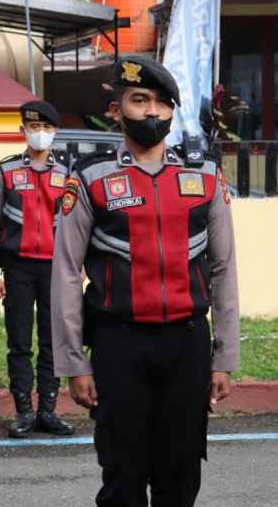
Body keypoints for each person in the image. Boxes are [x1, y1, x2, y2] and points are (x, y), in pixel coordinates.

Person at [51, 56, 240, 506]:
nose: (152, 112)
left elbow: (224, 268)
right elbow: (64, 273)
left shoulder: (205, 175)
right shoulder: (90, 178)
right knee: (123, 476)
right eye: (139, 100)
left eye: (161, 103)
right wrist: (74, 363)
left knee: (181, 477)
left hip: (187, 342)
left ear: (173, 111)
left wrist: (225, 356)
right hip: (119, 344)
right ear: (117, 110)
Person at [0, 100, 75, 438]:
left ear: (55, 131)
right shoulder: (5, 171)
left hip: (56, 269)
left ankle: (48, 411)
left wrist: (77, 268)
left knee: (53, 340)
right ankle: (23, 411)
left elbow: (77, 226)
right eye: (34, 128)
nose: (40, 134)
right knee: (19, 340)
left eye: (47, 128)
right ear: (23, 130)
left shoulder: (67, 173)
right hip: (17, 268)